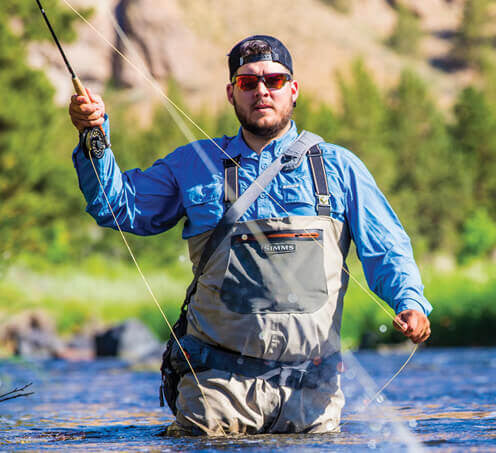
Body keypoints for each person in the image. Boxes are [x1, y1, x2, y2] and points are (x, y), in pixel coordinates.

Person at [68, 35, 432, 435]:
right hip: (216, 391)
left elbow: (388, 249)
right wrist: (94, 138)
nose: (262, 90)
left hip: (312, 396)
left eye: (274, 80)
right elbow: (119, 209)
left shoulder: (340, 168)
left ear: (293, 90)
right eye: (248, 82)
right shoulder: (194, 163)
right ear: (231, 93)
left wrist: (409, 303)